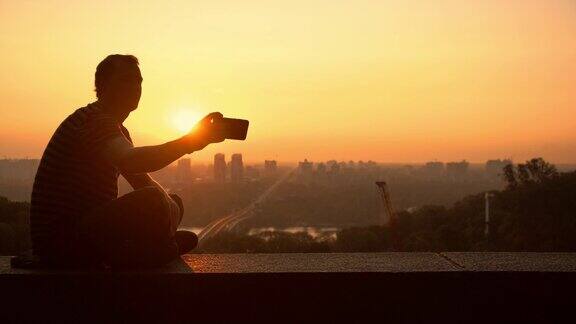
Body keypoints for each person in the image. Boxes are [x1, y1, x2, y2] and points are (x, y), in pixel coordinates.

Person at [30, 54, 226, 269]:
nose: (135, 87)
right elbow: (132, 161)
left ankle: (148, 250)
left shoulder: (116, 128)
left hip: (86, 232)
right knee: (154, 201)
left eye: (138, 81)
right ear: (102, 85)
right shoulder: (94, 120)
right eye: (126, 80)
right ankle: (151, 251)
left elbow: (142, 180)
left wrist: (168, 206)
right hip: (62, 241)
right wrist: (191, 141)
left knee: (172, 201)